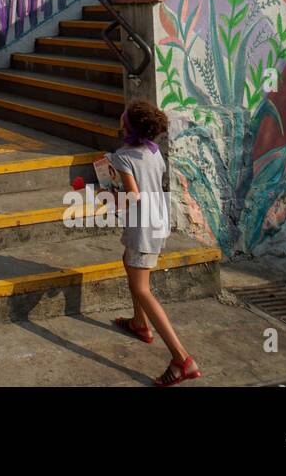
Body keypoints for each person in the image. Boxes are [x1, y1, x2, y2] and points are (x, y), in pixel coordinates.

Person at [107, 100, 202, 386]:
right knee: (129, 261)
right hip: (158, 220)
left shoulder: (122, 156)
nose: (120, 116)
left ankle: (181, 358)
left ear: (129, 126)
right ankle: (139, 323)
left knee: (142, 288)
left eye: (124, 116)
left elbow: (132, 197)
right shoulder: (153, 151)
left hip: (143, 226)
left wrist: (105, 194)